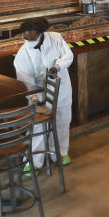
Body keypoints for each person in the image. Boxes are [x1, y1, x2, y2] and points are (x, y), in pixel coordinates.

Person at [13, 17, 74, 170]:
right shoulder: (22, 56)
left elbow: (69, 56)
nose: (29, 40)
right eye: (25, 37)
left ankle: (59, 152)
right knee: (38, 126)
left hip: (62, 86)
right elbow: (27, 83)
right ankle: (33, 162)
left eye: (32, 37)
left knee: (62, 120)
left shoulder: (55, 38)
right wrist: (35, 99)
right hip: (38, 92)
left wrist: (57, 66)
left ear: (41, 34)